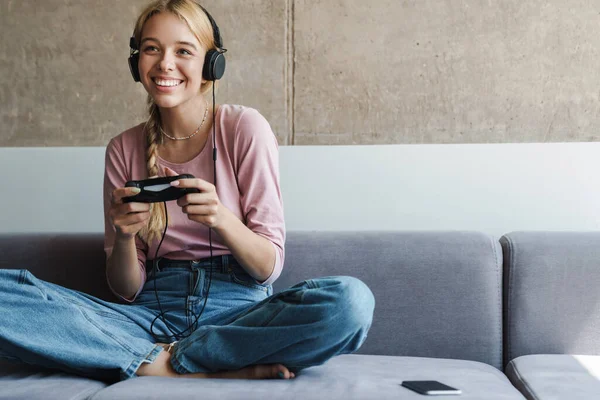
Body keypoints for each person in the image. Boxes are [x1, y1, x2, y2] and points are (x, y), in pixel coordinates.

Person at [0, 0, 374, 382]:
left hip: (238, 315)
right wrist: (125, 237)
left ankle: (159, 363)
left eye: (183, 51)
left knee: (351, 302)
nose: (164, 63)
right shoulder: (123, 149)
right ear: (136, 62)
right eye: (151, 49)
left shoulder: (245, 128)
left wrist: (222, 219)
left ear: (212, 64)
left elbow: (267, 269)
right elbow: (126, 291)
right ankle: (190, 365)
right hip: (146, 319)